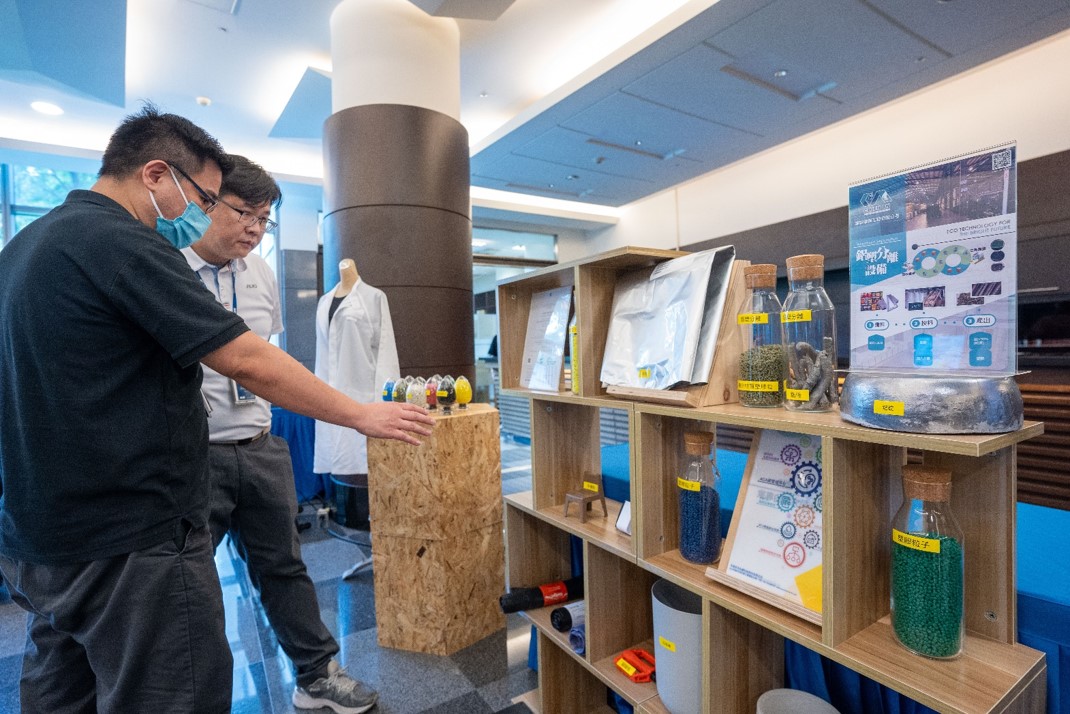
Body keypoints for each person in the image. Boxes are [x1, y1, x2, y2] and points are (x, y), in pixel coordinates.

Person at [0, 106, 433, 713]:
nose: (201, 214)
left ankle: (315, 671)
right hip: (127, 537)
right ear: (156, 174)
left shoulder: (24, 247)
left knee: (62, 691)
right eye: (204, 199)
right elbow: (248, 359)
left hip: (45, 535)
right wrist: (361, 415)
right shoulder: (124, 244)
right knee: (174, 691)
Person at [182, 155, 376, 713]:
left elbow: (266, 357)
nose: (255, 228)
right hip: (195, 455)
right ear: (206, 203)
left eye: (264, 219)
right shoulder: (169, 268)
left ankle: (316, 677)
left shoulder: (260, 273)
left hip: (259, 445)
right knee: (189, 586)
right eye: (244, 212)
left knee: (285, 568)